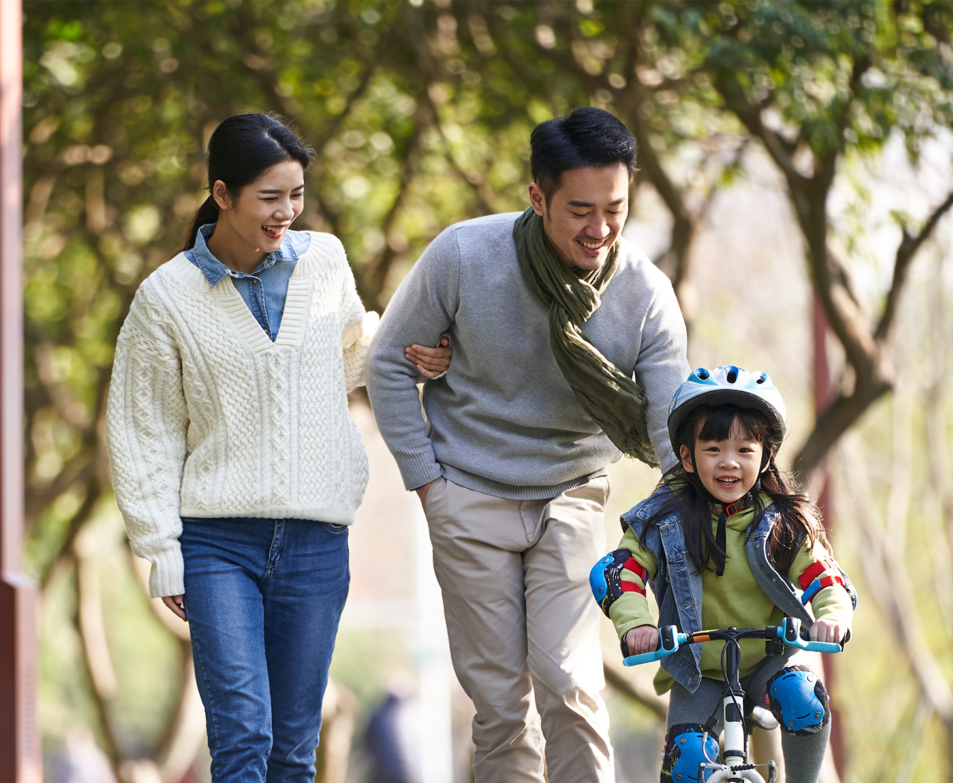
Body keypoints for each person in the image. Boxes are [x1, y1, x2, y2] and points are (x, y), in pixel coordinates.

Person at [106, 113, 450, 782]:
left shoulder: (325, 262)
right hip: (215, 545)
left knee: (293, 748)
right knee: (242, 738)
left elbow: (347, 360)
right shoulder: (167, 297)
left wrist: (409, 355)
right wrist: (159, 549)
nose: (287, 212)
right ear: (224, 192)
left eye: (296, 195)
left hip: (316, 543)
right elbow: (141, 428)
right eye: (271, 197)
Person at [367, 107, 689, 782]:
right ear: (537, 197)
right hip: (467, 492)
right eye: (580, 209)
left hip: (572, 495)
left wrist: (695, 517)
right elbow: (389, 362)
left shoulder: (645, 293)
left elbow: (670, 425)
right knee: (501, 708)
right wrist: (428, 482)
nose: (599, 229)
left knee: (570, 684)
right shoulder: (462, 255)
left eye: (615, 208)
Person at [594, 365, 856, 783]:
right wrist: (636, 625)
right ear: (686, 457)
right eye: (713, 449)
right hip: (702, 671)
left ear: (766, 455)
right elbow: (618, 571)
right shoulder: (666, 517)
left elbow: (827, 579)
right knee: (687, 759)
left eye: (744, 450)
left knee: (807, 702)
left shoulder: (783, 520)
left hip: (771, 660)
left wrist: (832, 618)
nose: (728, 463)